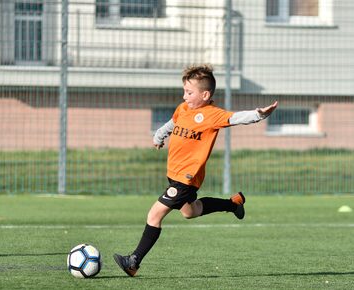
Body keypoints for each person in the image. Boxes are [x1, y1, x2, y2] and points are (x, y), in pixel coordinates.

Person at [113, 64, 278, 277]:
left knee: (154, 215)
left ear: (205, 94)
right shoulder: (183, 109)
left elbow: (235, 118)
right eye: (184, 91)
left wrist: (259, 114)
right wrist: (159, 135)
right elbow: (172, 124)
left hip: (186, 179)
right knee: (190, 212)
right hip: (174, 175)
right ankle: (233, 203)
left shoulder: (211, 115)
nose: (184, 96)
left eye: (189, 93)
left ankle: (133, 262)